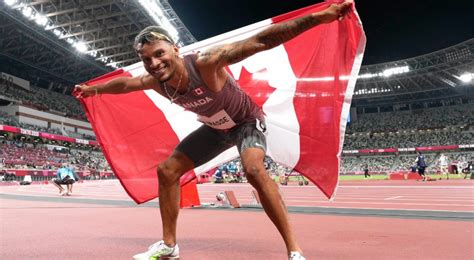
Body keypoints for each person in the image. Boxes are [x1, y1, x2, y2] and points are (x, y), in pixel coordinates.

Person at [74, 2, 353, 259]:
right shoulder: (155, 81)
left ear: (175, 48)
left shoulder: (206, 63)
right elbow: (124, 85)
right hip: (216, 131)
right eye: (147, 59)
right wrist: (94, 89)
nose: (155, 64)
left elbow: (260, 41)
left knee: (254, 170)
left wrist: (318, 18)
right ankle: (170, 246)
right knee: (167, 171)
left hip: (246, 123)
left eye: (159, 54)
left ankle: (294, 250)